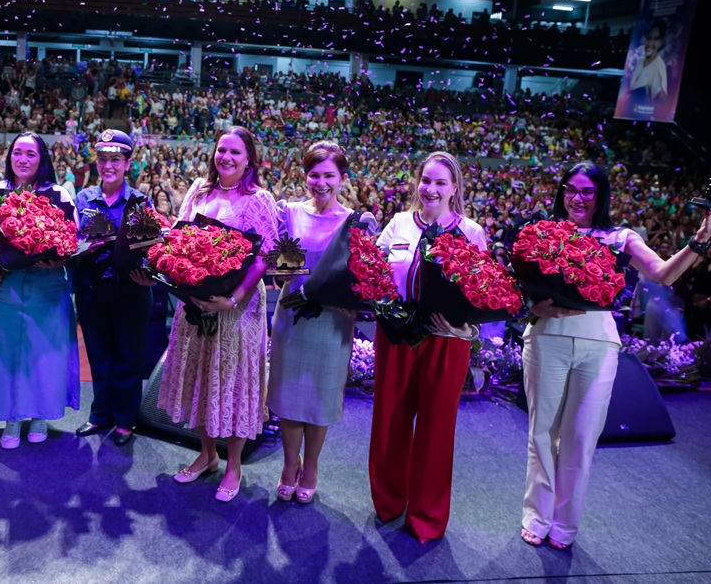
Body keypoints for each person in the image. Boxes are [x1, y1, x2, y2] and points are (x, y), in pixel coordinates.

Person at [521, 162, 711, 550]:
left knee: (581, 437)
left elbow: (663, 274)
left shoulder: (621, 237)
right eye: (571, 189)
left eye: (587, 191)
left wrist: (700, 239)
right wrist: (532, 305)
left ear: (601, 195)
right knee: (542, 432)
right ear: (562, 192)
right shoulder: (542, 232)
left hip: (598, 344)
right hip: (547, 336)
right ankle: (537, 515)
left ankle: (565, 523)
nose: (578, 198)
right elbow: (518, 284)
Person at [147, 127, 277, 503]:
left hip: (238, 310)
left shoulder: (260, 200)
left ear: (249, 159)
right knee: (203, 378)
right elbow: (180, 239)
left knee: (232, 383)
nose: (227, 157)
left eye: (235, 152)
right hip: (196, 303)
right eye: (221, 150)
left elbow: (263, 257)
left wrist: (233, 299)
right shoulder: (199, 191)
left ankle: (233, 464)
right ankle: (206, 455)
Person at [370, 151, 487, 543]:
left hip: (446, 341)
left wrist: (466, 327)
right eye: (426, 180)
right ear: (416, 183)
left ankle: (427, 516)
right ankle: (389, 501)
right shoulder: (399, 224)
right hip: (398, 337)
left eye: (440, 182)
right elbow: (373, 272)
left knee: (437, 429)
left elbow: (483, 291)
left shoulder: (471, 231)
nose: (431, 189)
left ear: (454, 188)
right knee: (390, 421)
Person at [268, 141, 376, 503]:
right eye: (314, 175)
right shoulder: (289, 212)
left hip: (332, 322)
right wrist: (279, 268)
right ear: (305, 176)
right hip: (291, 317)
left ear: (343, 178)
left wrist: (357, 302)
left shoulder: (356, 221)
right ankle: (289, 464)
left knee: (319, 397)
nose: (321, 182)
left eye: (329, 175)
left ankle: (311, 466)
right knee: (288, 396)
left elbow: (365, 275)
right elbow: (282, 271)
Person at [0, 133, 80, 449]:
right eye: (17, 152)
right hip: (1, 288)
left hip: (47, 286)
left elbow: (71, 240)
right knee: (4, 354)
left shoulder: (58, 194)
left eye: (30, 154)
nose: (23, 159)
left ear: (41, 159)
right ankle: (11, 418)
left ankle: (41, 414)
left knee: (44, 353)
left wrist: (60, 259)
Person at [73, 130, 152, 447]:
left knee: (128, 356)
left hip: (130, 290)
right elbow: (70, 241)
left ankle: (125, 419)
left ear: (128, 163)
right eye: (103, 159)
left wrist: (149, 274)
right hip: (91, 289)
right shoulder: (83, 199)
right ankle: (100, 414)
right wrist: (82, 249)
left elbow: (150, 248)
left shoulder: (139, 201)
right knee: (98, 354)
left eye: (115, 159)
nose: (108, 165)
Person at [680, 241, 711, 340]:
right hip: (694, 300)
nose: (710, 251)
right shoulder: (701, 264)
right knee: (689, 327)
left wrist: (708, 300)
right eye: (710, 248)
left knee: (704, 330)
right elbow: (688, 277)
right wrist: (696, 263)